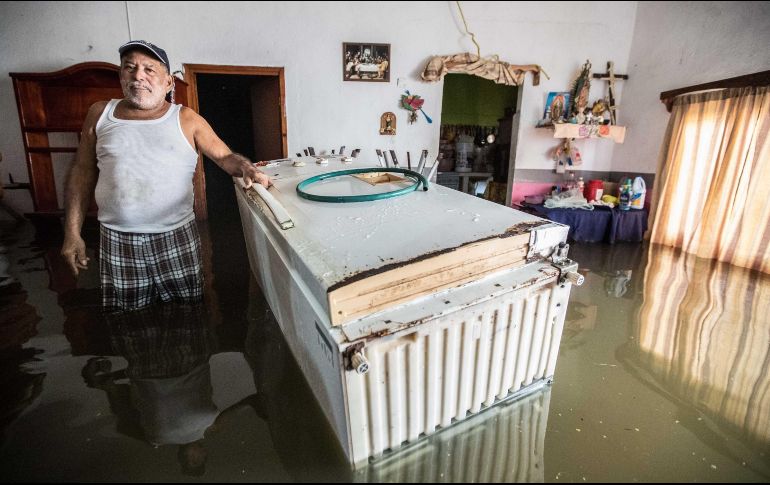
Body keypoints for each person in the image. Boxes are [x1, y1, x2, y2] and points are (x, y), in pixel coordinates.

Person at [60, 40, 270, 311]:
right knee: (126, 323)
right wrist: (72, 233)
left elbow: (225, 158)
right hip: (117, 238)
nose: (138, 76)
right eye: (130, 68)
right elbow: (82, 170)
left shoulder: (187, 118)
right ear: (121, 76)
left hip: (176, 235)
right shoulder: (100, 113)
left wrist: (248, 167)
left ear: (169, 82)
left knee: (188, 318)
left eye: (149, 69)